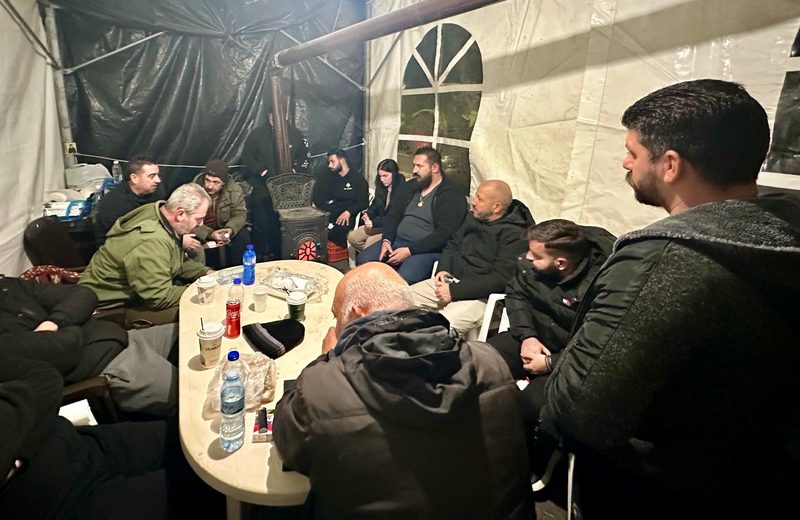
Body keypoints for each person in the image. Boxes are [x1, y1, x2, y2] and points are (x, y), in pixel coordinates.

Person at [540, 79, 800, 518]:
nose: (625, 162)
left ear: (671, 165)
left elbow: (581, 412)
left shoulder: (659, 262)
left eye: (634, 152)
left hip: (652, 493)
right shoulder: (784, 236)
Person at [273, 262, 534, 519]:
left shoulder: (322, 386)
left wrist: (327, 359)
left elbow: (289, 447)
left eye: (336, 315)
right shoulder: (490, 361)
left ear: (356, 313)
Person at [0, 353, 225, 519]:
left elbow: (46, 378)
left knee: (204, 435)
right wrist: (23, 427)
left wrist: (19, 450)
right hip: (57, 502)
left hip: (78, 443)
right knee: (216, 487)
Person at [0, 275, 179, 416]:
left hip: (125, 337)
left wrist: (53, 322)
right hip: (108, 365)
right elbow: (65, 347)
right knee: (192, 398)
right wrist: (76, 319)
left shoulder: (7, 286)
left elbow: (85, 294)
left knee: (191, 333)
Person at [488, 220, 614, 414]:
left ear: (561, 263)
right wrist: (527, 336)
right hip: (534, 336)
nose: (528, 257)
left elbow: (598, 344)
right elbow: (517, 294)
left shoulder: (602, 287)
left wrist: (550, 363)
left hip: (572, 357)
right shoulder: (530, 266)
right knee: (478, 363)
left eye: (537, 256)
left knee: (530, 405)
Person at [409, 180, 534, 334]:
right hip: (450, 281)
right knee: (398, 300)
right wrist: (443, 269)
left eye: (480, 199)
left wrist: (454, 291)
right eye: (475, 196)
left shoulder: (516, 235)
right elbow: (453, 245)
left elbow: (500, 279)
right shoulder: (474, 217)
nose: (473, 202)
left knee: (437, 328)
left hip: (481, 296)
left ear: (496, 207)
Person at [79, 183, 211, 325]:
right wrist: (201, 289)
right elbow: (158, 297)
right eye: (198, 219)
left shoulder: (158, 213)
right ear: (180, 214)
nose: (201, 224)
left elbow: (175, 261)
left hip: (133, 294)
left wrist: (205, 273)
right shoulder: (152, 240)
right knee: (201, 310)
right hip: (108, 309)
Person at [357, 147, 467, 284]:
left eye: (420, 166)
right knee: (363, 261)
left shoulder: (452, 194)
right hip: (397, 241)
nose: (414, 170)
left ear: (435, 167)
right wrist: (387, 240)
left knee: (403, 278)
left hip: (426, 249)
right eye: (414, 165)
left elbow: (444, 234)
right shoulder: (410, 186)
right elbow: (393, 215)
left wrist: (410, 250)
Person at [241, 109, 310, 260]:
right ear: (268, 115)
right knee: (262, 224)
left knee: (283, 224)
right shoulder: (257, 135)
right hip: (263, 187)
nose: (275, 117)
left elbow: (305, 157)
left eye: (279, 114)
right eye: (272, 114)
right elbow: (246, 157)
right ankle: (261, 256)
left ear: (285, 115)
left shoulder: (296, 134)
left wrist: (295, 171)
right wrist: (261, 170)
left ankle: (283, 255)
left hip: (288, 189)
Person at [189, 158, 250, 268]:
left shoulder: (234, 190)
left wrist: (229, 230)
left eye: (216, 182)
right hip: (200, 230)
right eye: (207, 180)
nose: (209, 186)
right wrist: (211, 234)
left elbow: (240, 214)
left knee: (243, 235)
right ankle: (200, 272)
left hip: (223, 228)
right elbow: (188, 220)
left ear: (223, 183)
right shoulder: (192, 191)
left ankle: (237, 269)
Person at [93, 155, 165, 246]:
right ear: (134, 178)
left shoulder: (156, 191)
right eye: (152, 176)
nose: (158, 180)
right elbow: (116, 239)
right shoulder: (114, 203)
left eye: (158, 175)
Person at [347, 158, 406, 252]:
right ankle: (373, 255)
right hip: (380, 223)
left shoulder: (402, 190)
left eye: (385, 176)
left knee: (369, 243)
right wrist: (369, 213)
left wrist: (374, 223)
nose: (382, 179)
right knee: (352, 237)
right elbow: (376, 203)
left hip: (393, 227)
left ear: (394, 174)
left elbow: (394, 217)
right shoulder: (381, 186)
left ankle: (372, 255)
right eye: (380, 176)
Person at [312, 149, 369, 248]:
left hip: (351, 213)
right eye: (329, 162)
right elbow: (322, 197)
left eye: (332, 161)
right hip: (334, 209)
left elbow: (363, 202)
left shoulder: (357, 178)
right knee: (314, 225)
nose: (329, 165)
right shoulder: (331, 177)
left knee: (339, 230)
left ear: (342, 160)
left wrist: (349, 212)